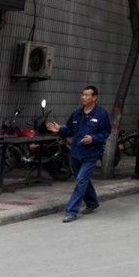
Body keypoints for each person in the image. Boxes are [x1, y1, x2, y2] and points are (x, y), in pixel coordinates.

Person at [46, 86, 111, 222]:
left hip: (91, 154)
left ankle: (71, 211)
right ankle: (92, 202)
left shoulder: (101, 114)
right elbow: (70, 130)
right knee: (82, 180)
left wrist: (93, 138)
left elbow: (106, 132)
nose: (83, 97)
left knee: (81, 181)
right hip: (76, 153)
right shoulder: (76, 114)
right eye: (83, 94)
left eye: (87, 95)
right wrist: (59, 130)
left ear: (94, 97)